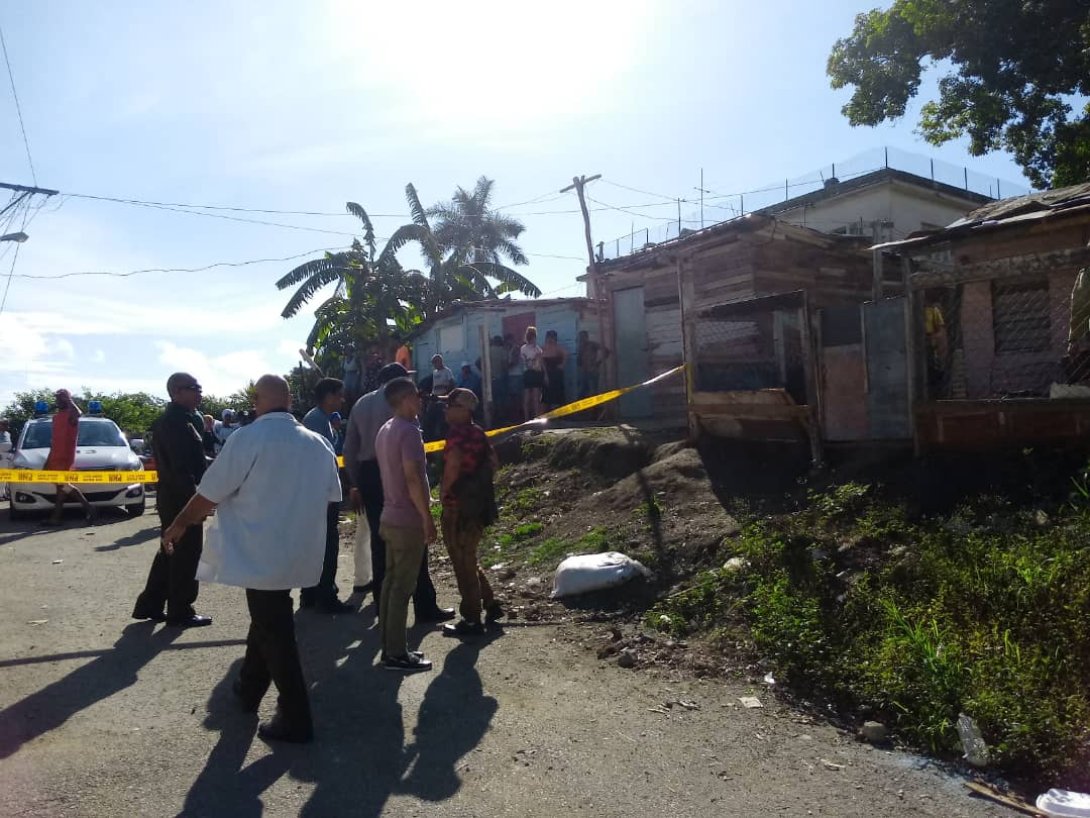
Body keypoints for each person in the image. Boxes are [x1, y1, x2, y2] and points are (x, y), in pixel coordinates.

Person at [161, 374, 341, 743]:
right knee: (267, 619)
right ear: (289, 401)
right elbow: (332, 495)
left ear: (259, 400)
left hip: (258, 552)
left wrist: (178, 524)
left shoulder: (248, 437)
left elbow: (209, 493)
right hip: (299, 553)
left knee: (275, 629)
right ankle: (248, 689)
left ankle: (295, 716)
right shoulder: (319, 443)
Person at [343, 363, 452, 622]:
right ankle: (425, 604)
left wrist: (357, 482)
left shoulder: (360, 404)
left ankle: (384, 606)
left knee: (381, 542)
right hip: (397, 472)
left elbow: (349, 449)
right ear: (401, 383)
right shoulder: (402, 405)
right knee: (415, 535)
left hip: (369, 475)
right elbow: (412, 459)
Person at [132, 374, 211, 627]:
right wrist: (195, 504)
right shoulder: (174, 422)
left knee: (170, 549)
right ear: (177, 392)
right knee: (187, 552)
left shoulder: (187, 419)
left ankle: (151, 603)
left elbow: (196, 459)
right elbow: (180, 468)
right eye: (194, 388)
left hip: (176, 492)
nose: (200, 392)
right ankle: (181, 609)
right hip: (179, 494)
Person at [375, 377, 438, 672]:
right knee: (402, 587)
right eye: (416, 395)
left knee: (389, 584)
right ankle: (397, 653)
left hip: (389, 516)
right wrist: (427, 517)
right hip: (407, 519)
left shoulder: (385, 430)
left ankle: (390, 646)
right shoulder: (409, 432)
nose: (421, 400)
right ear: (404, 399)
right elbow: (413, 477)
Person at [439, 388, 504, 637]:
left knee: (462, 561)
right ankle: (490, 603)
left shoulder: (457, 436)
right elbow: (494, 463)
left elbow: (452, 468)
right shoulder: (479, 433)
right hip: (479, 505)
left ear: (464, 409)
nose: (446, 410)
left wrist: (445, 494)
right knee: (469, 556)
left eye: (451, 405)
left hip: (458, 507)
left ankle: (471, 619)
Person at [300, 377, 352, 614]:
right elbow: (321, 457)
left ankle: (311, 593)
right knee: (326, 544)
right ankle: (325, 595)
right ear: (329, 396)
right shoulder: (316, 421)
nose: (342, 399)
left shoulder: (324, 420)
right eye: (339, 395)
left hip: (320, 490)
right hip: (319, 492)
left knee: (318, 543)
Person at [41, 389, 96, 527]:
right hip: (54, 456)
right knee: (61, 488)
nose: (57, 401)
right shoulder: (56, 417)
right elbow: (54, 441)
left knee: (63, 485)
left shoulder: (71, 415)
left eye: (60, 398)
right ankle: (56, 518)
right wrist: (48, 460)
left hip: (65, 457)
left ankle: (88, 508)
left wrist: (69, 400)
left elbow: (78, 413)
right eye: (57, 398)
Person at [520, 326, 545, 421]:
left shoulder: (524, 348)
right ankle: (535, 417)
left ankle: (527, 418)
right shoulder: (536, 348)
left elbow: (526, 360)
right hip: (534, 372)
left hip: (528, 373)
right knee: (535, 397)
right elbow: (534, 362)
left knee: (529, 397)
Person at [577, 330, 608, 399]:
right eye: (580, 338)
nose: (581, 339)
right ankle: (585, 407)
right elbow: (579, 360)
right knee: (583, 390)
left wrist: (599, 362)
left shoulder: (592, 344)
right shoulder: (580, 347)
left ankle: (595, 407)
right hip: (584, 372)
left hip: (593, 370)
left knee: (594, 390)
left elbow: (606, 351)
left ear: (586, 337)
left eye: (583, 337)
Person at [541, 330, 567, 410]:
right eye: (549, 337)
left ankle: (557, 413)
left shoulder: (558, 347)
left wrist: (562, 364)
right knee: (546, 394)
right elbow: (541, 362)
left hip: (557, 373)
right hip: (547, 373)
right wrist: (545, 375)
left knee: (557, 393)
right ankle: (547, 413)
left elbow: (566, 354)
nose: (551, 339)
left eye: (552, 337)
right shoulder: (543, 348)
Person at [487, 335, 509, 424]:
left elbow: (478, 362)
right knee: (501, 399)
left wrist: (486, 373)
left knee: (493, 399)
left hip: (490, 379)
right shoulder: (502, 351)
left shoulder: (488, 351)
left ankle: (492, 418)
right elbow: (505, 365)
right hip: (500, 377)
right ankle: (501, 418)